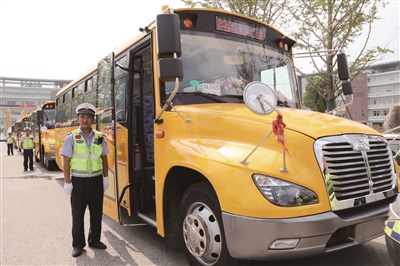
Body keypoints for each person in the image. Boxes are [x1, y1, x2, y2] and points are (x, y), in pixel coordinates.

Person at [60, 103, 110, 258]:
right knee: (77, 214)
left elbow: (104, 158)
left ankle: (95, 240)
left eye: (89, 117)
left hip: (95, 181)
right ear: (78, 119)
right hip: (79, 182)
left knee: (96, 213)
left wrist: (105, 178)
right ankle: (78, 245)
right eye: (82, 117)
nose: (85, 120)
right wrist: (67, 182)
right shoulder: (72, 137)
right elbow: (66, 160)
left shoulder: (99, 137)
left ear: (93, 119)